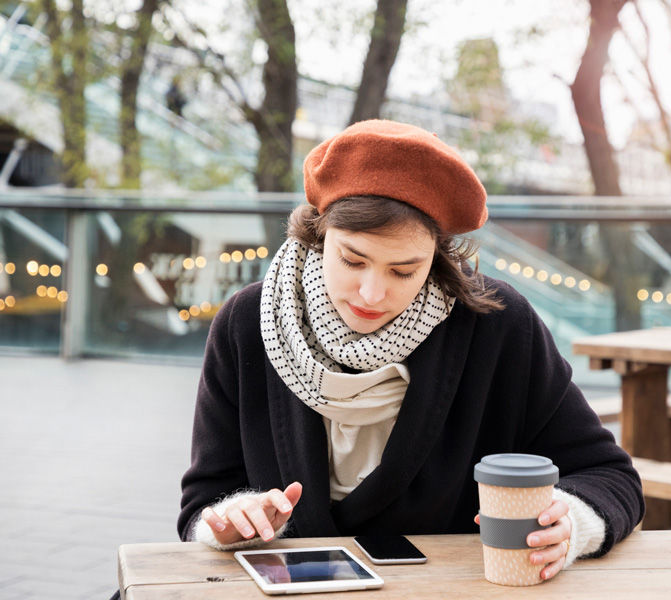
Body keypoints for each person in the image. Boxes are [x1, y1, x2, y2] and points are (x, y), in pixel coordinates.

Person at [178, 119, 644, 582]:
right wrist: (229, 520)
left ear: (438, 258)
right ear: (320, 235)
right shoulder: (247, 322)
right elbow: (202, 504)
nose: (371, 293)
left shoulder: (497, 326)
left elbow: (610, 476)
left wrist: (571, 525)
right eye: (352, 259)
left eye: (403, 271)